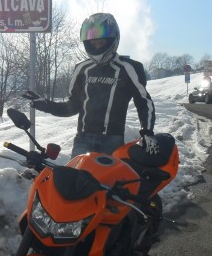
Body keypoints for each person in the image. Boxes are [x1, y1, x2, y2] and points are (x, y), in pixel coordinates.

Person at [23, 12, 159, 157]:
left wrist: (147, 132)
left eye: (101, 43)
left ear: (113, 40)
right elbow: (72, 107)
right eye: (93, 43)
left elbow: (144, 102)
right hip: (82, 139)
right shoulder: (81, 68)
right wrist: (45, 104)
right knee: (74, 173)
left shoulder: (130, 68)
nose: (97, 47)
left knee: (108, 173)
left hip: (112, 141)